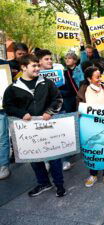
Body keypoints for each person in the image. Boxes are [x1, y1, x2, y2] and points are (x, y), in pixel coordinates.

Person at [3, 54, 66, 197]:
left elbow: (58, 99)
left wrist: (50, 111)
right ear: (23, 67)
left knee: (54, 157)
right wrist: (21, 113)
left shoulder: (47, 83)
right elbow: (8, 106)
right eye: (34, 66)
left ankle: (59, 185)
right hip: (28, 130)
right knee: (34, 158)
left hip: (48, 127)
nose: (38, 68)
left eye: (38, 65)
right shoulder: (13, 88)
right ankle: (44, 183)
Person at [77, 67, 104, 187]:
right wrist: (79, 112)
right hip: (89, 127)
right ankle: (93, 174)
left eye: (100, 76)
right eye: (97, 77)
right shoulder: (83, 91)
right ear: (89, 79)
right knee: (92, 150)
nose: (100, 79)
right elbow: (78, 107)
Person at [59, 52, 84, 171]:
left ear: (75, 60)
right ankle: (72, 148)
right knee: (71, 124)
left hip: (80, 99)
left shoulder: (79, 70)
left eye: (69, 58)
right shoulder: (64, 72)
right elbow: (64, 88)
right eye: (66, 58)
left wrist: (83, 49)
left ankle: (81, 146)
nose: (67, 60)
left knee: (80, 122)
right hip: (69, 101)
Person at [0, 60, 11, 180]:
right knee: (2, 137)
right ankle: (3, 165)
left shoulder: (5, 65)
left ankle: (4, 165)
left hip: (12, 105)